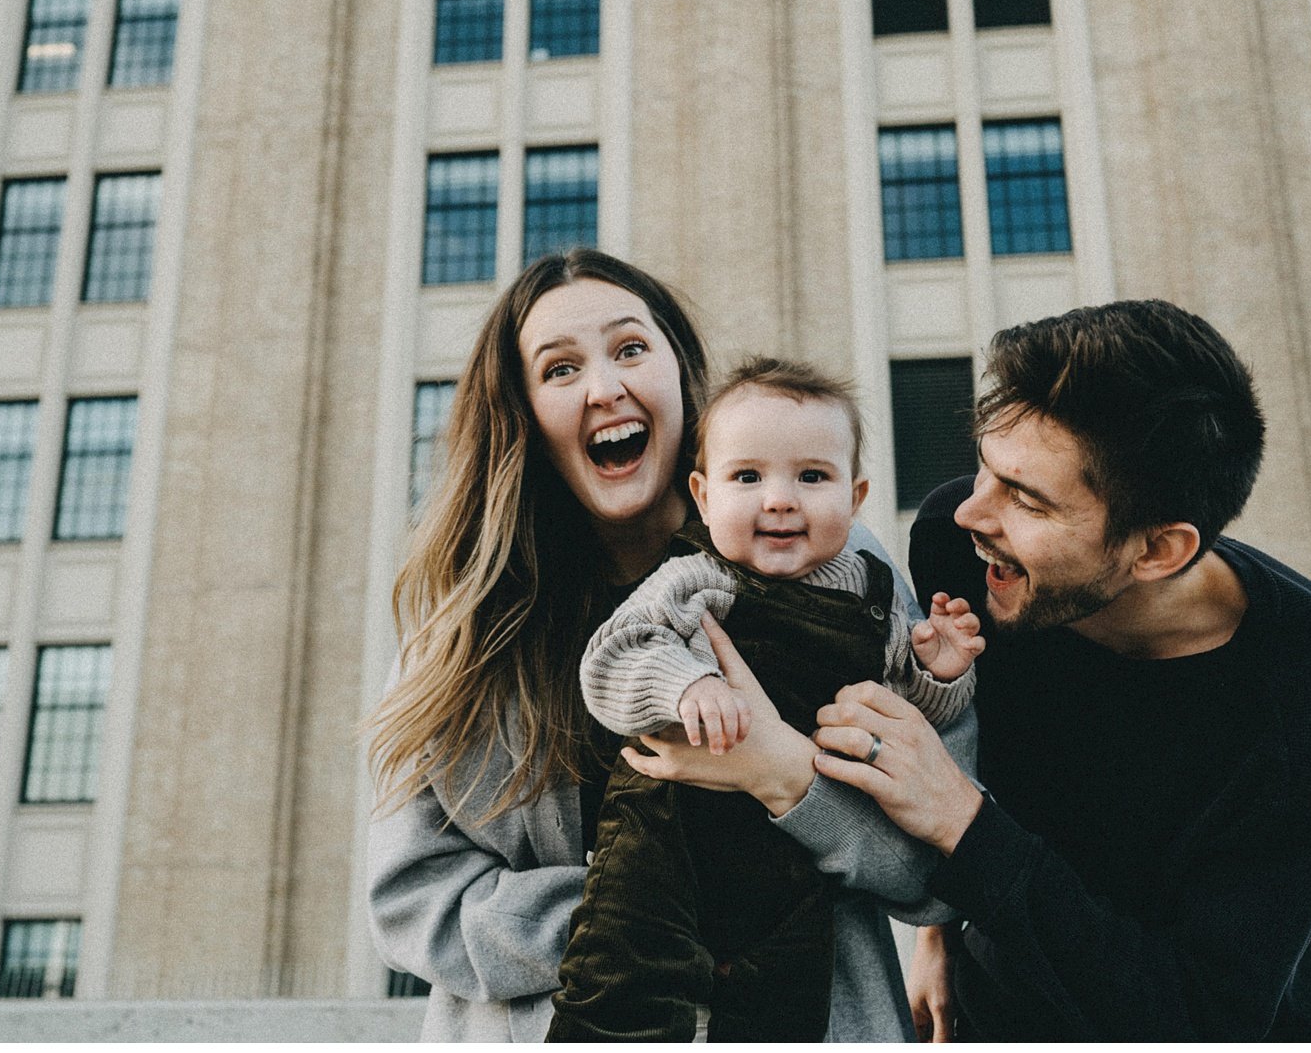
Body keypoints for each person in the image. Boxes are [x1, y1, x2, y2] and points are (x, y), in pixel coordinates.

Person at [624, 299, 1311, 1042]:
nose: (968, 512)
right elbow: (956, 756)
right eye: (984, 469)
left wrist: (965, 825)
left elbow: (1200, 1019)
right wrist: (942, 938)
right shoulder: (964, 551)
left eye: (1024, 498)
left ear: (1158, 550)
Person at [365, 250, 966, 1041]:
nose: (605, 387)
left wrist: (789, 778)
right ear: (524, 415)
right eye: (560, 369)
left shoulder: (842, 568)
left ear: (681, 375)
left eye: (630, 350)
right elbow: (415, 895)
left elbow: (939, 871)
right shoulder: (469, 627)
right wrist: (642, 916)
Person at [548, 357, 982, 1041]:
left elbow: (918, 723)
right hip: (664, 839)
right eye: (747, 477)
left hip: (794, 867)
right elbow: (612, 658)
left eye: (812, 477)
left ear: (856, 495)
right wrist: (687, 683)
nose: (780, 500)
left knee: (785, 1008)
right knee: (620, 980)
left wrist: (943, 671)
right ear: (704, 493)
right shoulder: (695, 579)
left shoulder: (872, 601)